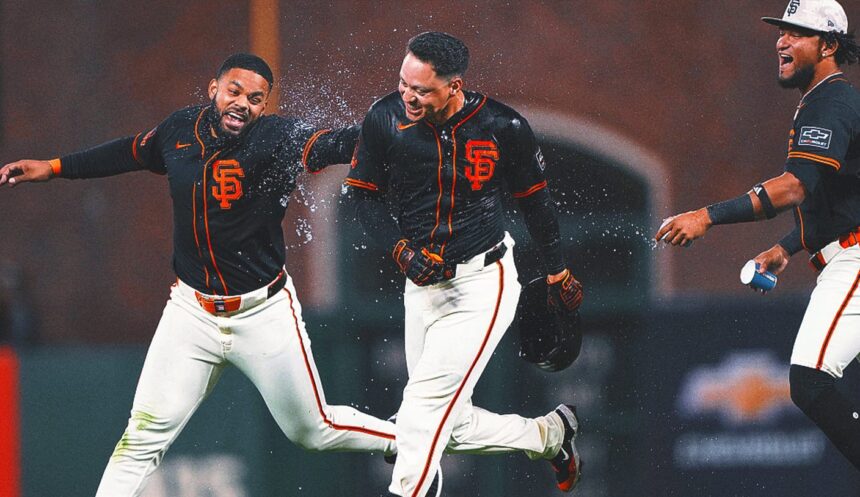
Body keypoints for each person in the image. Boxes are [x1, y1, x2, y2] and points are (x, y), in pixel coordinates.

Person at [0, 53, 406, 497]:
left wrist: (396, 130)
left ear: (264, 106)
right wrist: (54, 167)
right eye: (235, 90)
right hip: (191, 312)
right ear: (214, 89)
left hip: (262, 312)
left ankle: (407, 442)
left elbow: (335, 144)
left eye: (255, 98)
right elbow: (129, 152)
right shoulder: (180, 129)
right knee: (141, 437)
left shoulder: (277, 137)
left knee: (311, 430)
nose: (242, 103)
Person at [344, 32, 585, 497]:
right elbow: (363, 198)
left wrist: (557, 269)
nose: (407, 96)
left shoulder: (503, 126)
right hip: (422, 285)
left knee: (420, 413)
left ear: (454, 86)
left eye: (421, 89)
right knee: (447, 425)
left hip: (482, 282)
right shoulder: (384, 117)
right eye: (403, 83)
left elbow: (536, 202)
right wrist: (400, 250)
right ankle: (550, 436)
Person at [655, 0, 860, 471]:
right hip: (844, 249)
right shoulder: (826, 99)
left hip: (854, 260)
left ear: (828, 45)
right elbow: (838, 200)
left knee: (810, 381)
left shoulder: (831, 101)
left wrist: (707, 216)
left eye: (797, 33)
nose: (781, 41)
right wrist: (786, 247)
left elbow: (793, 188)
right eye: (781, 31)